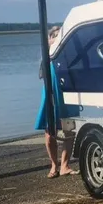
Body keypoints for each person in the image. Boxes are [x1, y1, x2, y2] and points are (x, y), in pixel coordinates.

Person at [35, 26, 81, 178]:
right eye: (53, 35)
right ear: (49, 40)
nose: (56, 37)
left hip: (67, 95)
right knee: (50, 133)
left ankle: (65, 166)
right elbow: (42, 76)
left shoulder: (68, 55)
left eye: (59, 34)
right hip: (50, 96)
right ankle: (54, 165)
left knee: (69, 131)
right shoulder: (46, 57)